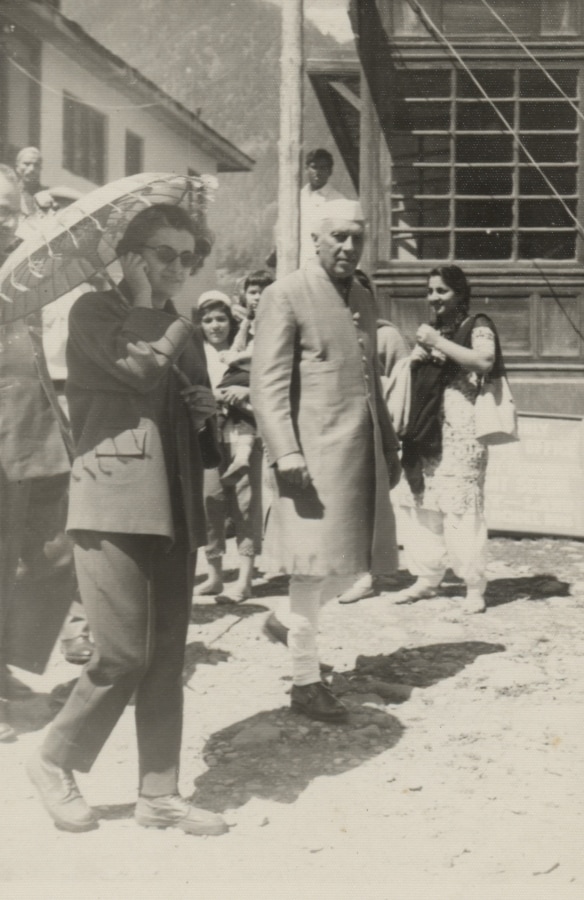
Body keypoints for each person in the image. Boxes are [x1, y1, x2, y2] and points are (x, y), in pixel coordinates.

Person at [27, 203, 228, 836]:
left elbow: (203, 438)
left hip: (172, 506)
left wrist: (204, 413)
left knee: (166, 657)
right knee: (120, 653)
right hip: (111, 499)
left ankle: (159, 793)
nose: (179, 268)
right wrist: (147, 302)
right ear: (134, 255)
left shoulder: (180, 327)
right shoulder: (96, 312)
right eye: (165, 255)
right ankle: (54, 757)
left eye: (188, 258)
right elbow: (137, 369)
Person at [251, 199, 401, 722]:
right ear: (314, 239)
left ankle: (283, 622)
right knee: (312, 571)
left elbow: (370, 381)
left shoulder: (361, 293)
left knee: (357, 565)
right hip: (310, 459)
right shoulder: (285, 294)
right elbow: (265, 385)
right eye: (337, 236)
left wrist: (389, 444)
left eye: (357, 237)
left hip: (359, 457)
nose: (348, 246)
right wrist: (285, 450)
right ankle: (305, 683)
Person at [0, 164, 72, 742]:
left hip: (36, 431)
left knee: (54, 551)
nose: (5, 217)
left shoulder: (25, 271)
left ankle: (6, 661)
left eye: (9, 206)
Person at [394, 265, 498, 615]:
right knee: (421, 499)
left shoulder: (477, 325)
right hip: (428, 426)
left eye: (442, 291)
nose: (434, 298)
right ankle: (427, 577)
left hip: (460, 428)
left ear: (460, 294)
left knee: (460, 505)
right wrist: (418, 357)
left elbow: (484, 360)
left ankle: (473, 585)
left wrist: (437, 344)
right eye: (430, 291)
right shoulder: (437, 330)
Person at [194, 290, 262, 604]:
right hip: (208, 434)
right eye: (208, 320)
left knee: (244, 503)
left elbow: (268, 382)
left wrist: (243, 389)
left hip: (243, 432)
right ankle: (215, 575)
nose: (215, 325)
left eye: (221, 318)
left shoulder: (247, 350)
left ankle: (245, 579)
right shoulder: (196, 352)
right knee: (211, 500)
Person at [299, 149, 346, 266]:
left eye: (323, 168)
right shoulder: (296, 197)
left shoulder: (339, 201)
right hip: (295, 263)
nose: (318, 172)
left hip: (322, 265)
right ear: (306, 169)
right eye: (314, 167)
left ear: (330, 171)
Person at [14, 147, 47, 219]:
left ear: (40, 169)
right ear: (17, 167)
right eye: (27, 164)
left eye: (36, 165)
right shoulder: (10, 194)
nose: (32, 169)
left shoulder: (48, 194)